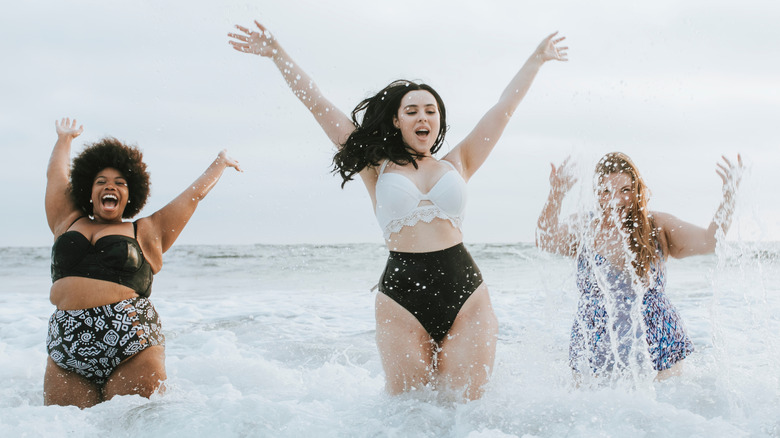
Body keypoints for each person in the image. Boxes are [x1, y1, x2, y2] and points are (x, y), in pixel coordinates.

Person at [228, 20, 567, 400]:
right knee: (409, 414)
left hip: (465, 291)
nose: (423, 117)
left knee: (469, 411)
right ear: (396, 119)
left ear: (438, 120)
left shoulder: (459, 162)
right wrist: (277, 54)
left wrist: (536, 59)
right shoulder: (376, 167)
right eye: (412, 111)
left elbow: (502, 109)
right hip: (401, 295)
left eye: (430, 110)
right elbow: (319, 104)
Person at [44, 117, 242, 408]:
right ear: (89, 190)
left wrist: (220, 162)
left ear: (129, 194)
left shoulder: (147, 230)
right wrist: (64, 139)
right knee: (61, 429)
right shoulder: (67, 220)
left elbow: (193, 197)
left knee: (138, 428)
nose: (109, 186)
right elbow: (56, 177)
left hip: (131, 341)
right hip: (68, 343)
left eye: (119, 183)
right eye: (101, 182)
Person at [536, 152, 742, 381]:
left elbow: (710, 240)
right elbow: (545, 239)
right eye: (607, 192)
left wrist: (729, 194)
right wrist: (556, 194)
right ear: (597, 194)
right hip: (594, 340)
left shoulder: (657, 225)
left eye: (625, 190)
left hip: (656, 338)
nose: (616, 199)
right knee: (590, 413)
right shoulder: (585, 227)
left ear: (637, 189)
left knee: (663, 412)